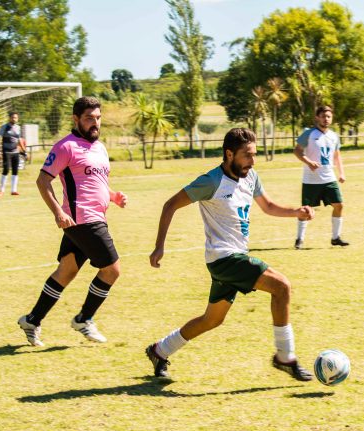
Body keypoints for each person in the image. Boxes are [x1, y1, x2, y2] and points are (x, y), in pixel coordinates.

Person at [146, 128, 315, 381]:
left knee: (211, 320)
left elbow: (268, 206)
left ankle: (160, 351)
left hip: (232, 258)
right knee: (282, 287)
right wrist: (159, 246)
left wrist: (296, 212)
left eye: (254, 154)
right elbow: (170, 205)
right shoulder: (211, 182)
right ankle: (285, 356)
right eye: (247, 155)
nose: (253, 161)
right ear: (229, 154)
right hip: (224, 258)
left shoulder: (251, 177)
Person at [17, 97, 127, 346]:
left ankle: (32, 320)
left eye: (98, 118)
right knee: (112, 270)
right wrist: (58, 211)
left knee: (66, 271)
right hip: (82, 220)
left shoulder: (100, 148)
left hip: (92, 217)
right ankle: (84, 319)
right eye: (89, 118)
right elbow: (43, 181)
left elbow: (95, 182)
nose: (95, 123)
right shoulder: (65, 147)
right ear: (76, 119)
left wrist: (113, 197)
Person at [293, 105, 348, 249]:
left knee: (339, 205)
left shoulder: (334, 136)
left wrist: (341, 173)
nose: (326, 119)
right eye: (323, 116)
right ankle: (299, 239)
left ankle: (335, 238)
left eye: (328, 116)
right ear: (317, 117)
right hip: (311, 180)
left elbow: (337, 156)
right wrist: (309, 162)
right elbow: (297, 151)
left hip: (329, 178)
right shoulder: (308, 134)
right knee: (305, 210)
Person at [0, 111, 28, 196]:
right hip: (6, 151)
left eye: (16, 117)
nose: (14, 119)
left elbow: (19, 140)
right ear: (9, 118)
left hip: (15, 152)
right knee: (6, 169)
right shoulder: (4, 127)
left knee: (15, 170)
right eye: (13, 117)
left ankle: (14, 190)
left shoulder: (18, 127)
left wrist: (24, 151)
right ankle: (1, 190)